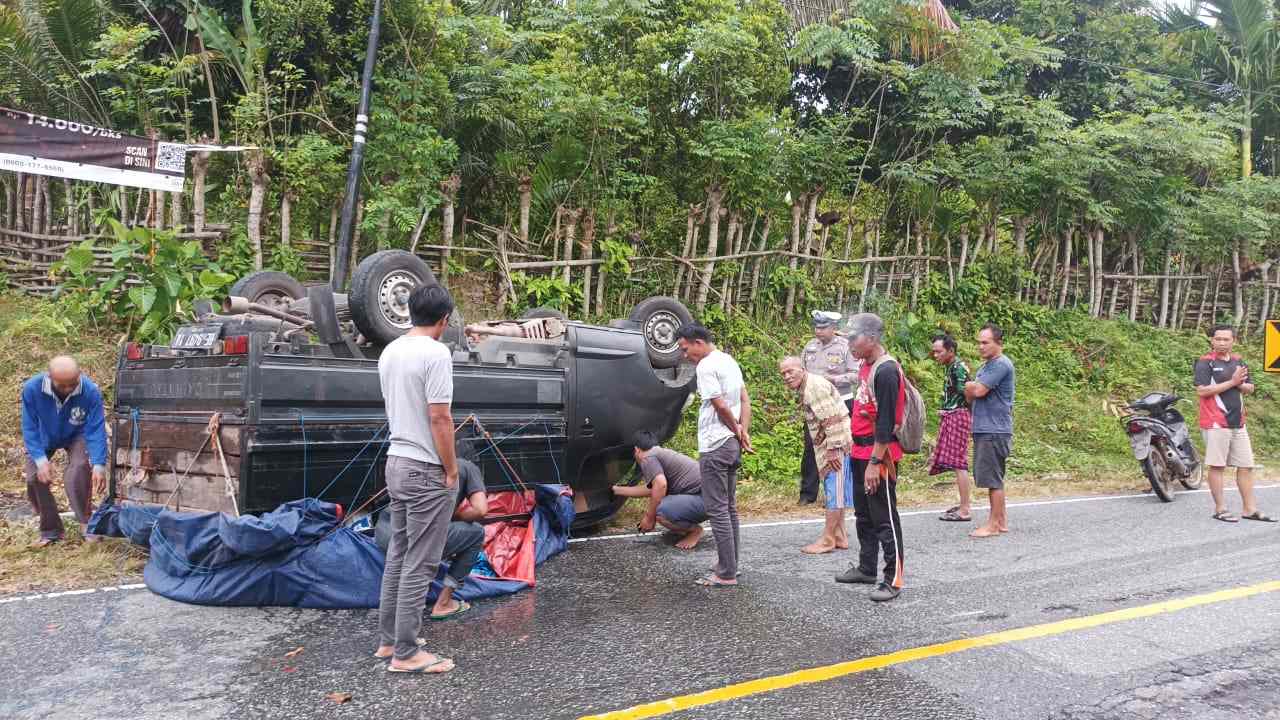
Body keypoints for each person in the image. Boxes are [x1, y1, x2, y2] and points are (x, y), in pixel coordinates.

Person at [374, 283, 459, 674]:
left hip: (396, 461)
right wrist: (452, 469)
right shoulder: (436, 353)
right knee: (420, 562)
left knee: (399, 554)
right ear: (444, 319)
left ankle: (389, 640)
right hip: (425, 468)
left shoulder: (391, 350)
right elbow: (440, 417)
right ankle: (406, 654)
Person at [376, 439, 492, 620]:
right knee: (476, 533)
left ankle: (392, 627)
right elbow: (481, 509)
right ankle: (444, 603)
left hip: (384, 533)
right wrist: (456, 516)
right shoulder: (466, 467)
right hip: (413, 538)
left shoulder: (422, 461)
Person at [835, 314, 905, 602]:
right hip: (860, 450)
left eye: (854, 338)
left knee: (884, 517)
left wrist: (875, 464)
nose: (849, 344)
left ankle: (894, 578)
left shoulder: (887, 371)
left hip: (880, 454)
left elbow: (887, 423)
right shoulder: (865, 365)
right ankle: (867, 567)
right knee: (863, 514)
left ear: (872, 339)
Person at [676, 323, 752, 587]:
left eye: (685, 349)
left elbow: (719, 405)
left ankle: (726, 573)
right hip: (730, 443)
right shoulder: (729, 360)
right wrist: (743, 431)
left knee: (717, 509)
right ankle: (730, 565)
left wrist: (735, 428)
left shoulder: (706, 366)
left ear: (698, 342)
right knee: (728, 507)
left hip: (716, 445)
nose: (685, 355)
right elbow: (744, 399)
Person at [20, 355, 108, 547]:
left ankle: (86, 523)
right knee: (35, 477)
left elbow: (96, 429)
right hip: (45, 435)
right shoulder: (32, 389)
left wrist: (99, 464)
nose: (69, 389)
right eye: (63, 385)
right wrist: (40, 460)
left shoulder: (90, 391)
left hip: (77, 434)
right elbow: (29, 427)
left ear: (80, 375)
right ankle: (51, 530)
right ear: (49, 377)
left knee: (78, 469)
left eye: (73, 384)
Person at [1195, 324, 1274, 523]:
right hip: (1215, 422)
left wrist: (1239, 383)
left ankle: (1249, 509)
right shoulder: (1205, 363)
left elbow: (1250, 387)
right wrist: (1232, 382)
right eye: (1218, 339)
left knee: (1246, 466)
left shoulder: (1239, 361)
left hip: (1238, 421)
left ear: (1233, 341)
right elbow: (1202, 391)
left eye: (1226, 339)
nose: (1222, 343)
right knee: (1217, 466)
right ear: (1212, 340)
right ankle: (1220, 509)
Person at [780, 357, 853, 555]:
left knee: (834, 491)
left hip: (836, 442)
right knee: (835, 488)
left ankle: (828, 539)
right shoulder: (808, 385)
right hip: (832, 441)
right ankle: (840, 535)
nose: (787, 376)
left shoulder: (814, 388)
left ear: (802, 369)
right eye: (783, 374)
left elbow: (832, 420)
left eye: (791, 371)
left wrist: (833, 451)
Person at [799, 310, 860, 505]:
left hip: (840, 402)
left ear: (834, 328)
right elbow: (801, 373)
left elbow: (855, 375)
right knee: (811, 447)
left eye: (823, 327)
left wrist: (832, 379)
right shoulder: (810, 347)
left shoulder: (846, 347)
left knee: (840, 447)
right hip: (815, 405)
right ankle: (807, 494)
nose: (818, 331)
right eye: (817, 327)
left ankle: (837, 493)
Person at [612, 430, 706, 549]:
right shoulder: (658, 453)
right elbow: (652, 489)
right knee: (661, 503)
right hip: (711, 499)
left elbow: (661, 485)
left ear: (636, 449)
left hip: (705, 500)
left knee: (661, 512)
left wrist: (649, 517)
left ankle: (695, 531)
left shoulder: (647, 457)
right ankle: (684, 527)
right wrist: (617, 490)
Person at [966, 323, 1015, 539]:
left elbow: (977, 390)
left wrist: (970, 386)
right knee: (994, 477)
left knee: (992, 479)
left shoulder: (1000, 365)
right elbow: (970, 395)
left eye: (985, 342)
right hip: (985, 427)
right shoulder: (985, 367)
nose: (981, 346)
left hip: (994, 429)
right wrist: (971, 388)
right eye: (979, 342)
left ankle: (993, 525)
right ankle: (1001, 521)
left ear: (999, 343)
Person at [929, 334, 973, 522]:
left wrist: (960, 412)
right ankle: (963, 505)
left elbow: (969, 392)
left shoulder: (958, 368)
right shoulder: (950, 367)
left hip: (958, 417)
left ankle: (964, 509)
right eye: (934, 351)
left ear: (951, 351)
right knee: (956, 462)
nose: (935, 355)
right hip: (952, 415)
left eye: (939, 351)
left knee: (958, 463)